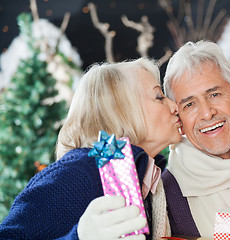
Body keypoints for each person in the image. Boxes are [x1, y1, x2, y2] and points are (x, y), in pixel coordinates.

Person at [0, 58, 181, 240]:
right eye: (159, 97)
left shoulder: (149, 179)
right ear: (120, 109)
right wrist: (79, 237)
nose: (174, 107)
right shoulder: (77, 175)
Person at [161, 40, 230, 238]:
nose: (206, 113)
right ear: (178, 119)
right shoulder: (168, 194)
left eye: (214, 94)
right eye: (189, 105)